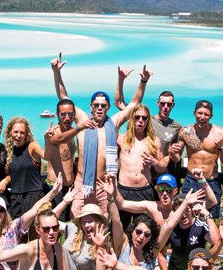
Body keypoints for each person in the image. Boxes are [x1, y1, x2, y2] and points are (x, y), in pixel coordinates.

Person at [51, 53, 150, 214]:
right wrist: (56, 72)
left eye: (103, 106)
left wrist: (143, 81)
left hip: (105, 185)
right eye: (96, 105)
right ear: (91, 106)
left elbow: (134, 104)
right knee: (77, 224)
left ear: (108, 107)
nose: (99, 108)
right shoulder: (83, 121)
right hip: (82, 184)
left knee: (101, 226)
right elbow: (63, 98)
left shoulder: (113, 124)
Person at [170, 100, 223, 218]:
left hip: (211, 181)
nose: (202, 117)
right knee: (187, 214)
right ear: (194, 113)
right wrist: (172, 152)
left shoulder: (220, 133)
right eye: (200, 113)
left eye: (206, 114)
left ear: (211, 116)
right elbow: (177, 158)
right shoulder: (185, 131)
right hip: (191, 180)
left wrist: (221, 147)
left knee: (209, 216)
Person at [116, 103, 168, 229]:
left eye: (144, 118)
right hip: (124, 190)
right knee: (120, 229)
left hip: (144, 191)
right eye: (137, 117)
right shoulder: (120, 139)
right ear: (132, 119)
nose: (140, 121)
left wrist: (155, 162)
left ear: (148, 121)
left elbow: (161, 168)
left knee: (144, 230)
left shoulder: (154, 141)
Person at [43, 98, 92, 207]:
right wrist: (80, 127)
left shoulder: (72, 132)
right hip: (55, 187)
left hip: (70, 186)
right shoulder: (53, 132)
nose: (67, 118)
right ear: (57, 115)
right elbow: (60, 139)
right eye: (63, 114)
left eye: (70, 114)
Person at [5, 117, 45, 220]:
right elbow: (11, 175)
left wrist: (48, 141)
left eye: (22, 133)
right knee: (18, 234)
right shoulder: (8, 151)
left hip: (33, 196)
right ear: (10, 132)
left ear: (26, 134)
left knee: (34, 232)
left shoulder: (32, 146)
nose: (18, 135)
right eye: (16, 132)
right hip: (15, 198)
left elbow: (47, 156)